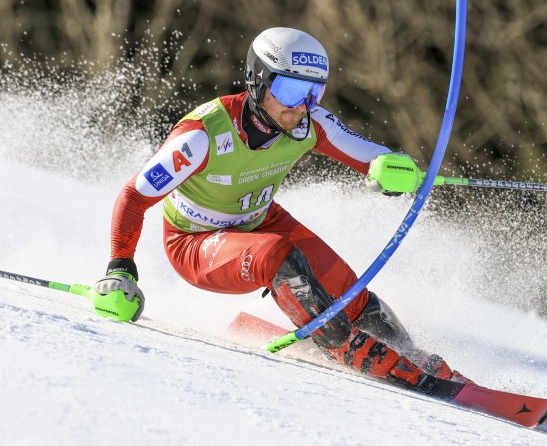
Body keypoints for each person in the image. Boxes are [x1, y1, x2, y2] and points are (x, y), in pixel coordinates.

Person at [93, 27, 471, 390]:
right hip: (196, 242)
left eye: (314, 93)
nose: (301, 107)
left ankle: (410, 355)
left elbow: (372, 157)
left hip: (260, 221)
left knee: (346, 287)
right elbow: (134, 196)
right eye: (290, 90)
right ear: (258, 81)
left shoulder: (309, 122)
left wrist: (395, 169)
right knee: (277, 255)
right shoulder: (202, 135)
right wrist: (121, 269)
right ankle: (341, 344)